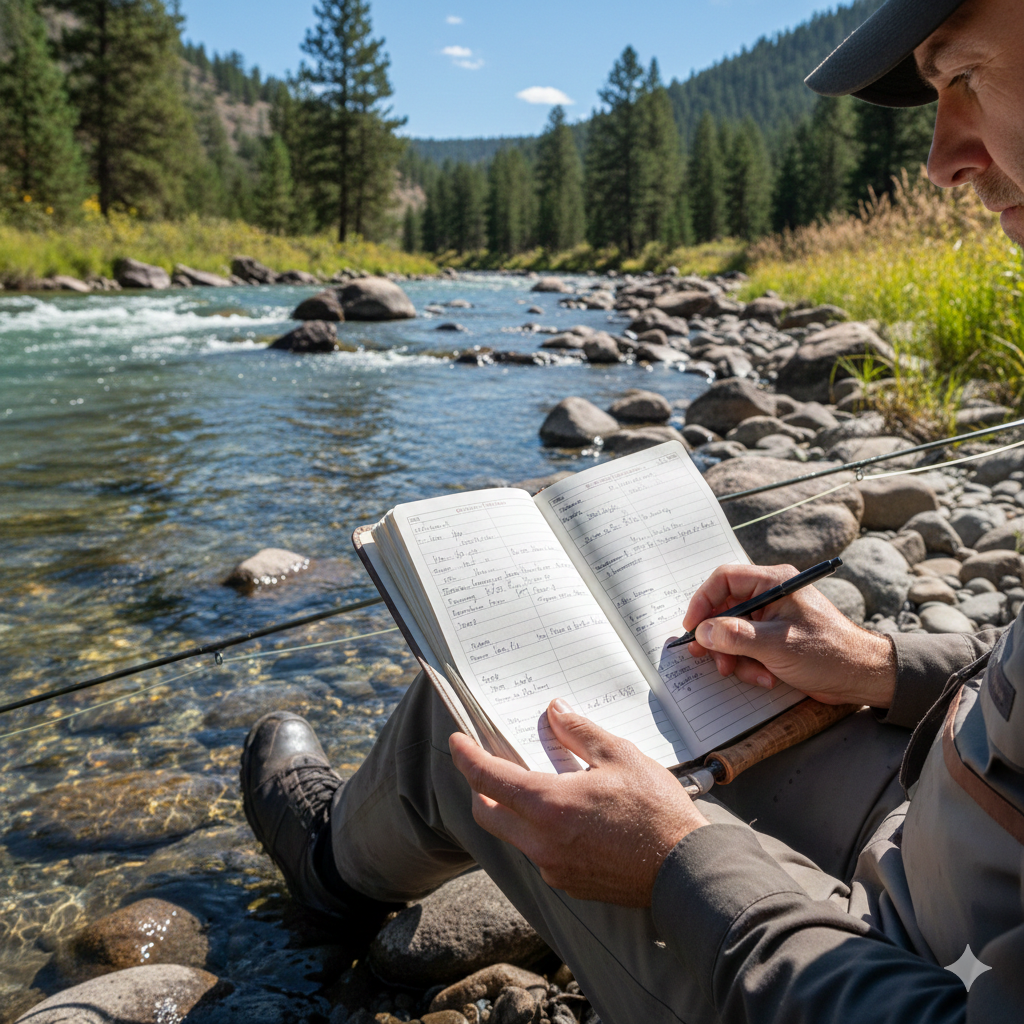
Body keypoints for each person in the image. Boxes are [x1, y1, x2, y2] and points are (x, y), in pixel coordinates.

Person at [241, 0, 1024, 1019]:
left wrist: (675, 863)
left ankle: (328, 871)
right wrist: (880, 667)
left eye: (961, 72)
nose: (940, 157)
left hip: (885, 959)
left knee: (477, 722)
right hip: (938, 808)